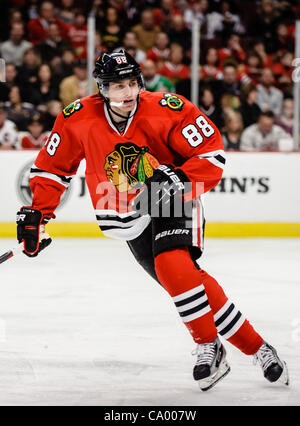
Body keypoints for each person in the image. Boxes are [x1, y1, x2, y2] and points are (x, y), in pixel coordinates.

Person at [16, 49, 289, 391]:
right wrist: (37, 214)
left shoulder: (166, 110)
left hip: (169, 197)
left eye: (132, 83)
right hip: (126, 215)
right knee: (189, 285)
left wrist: (176, 178)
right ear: (101, 88)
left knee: (174, 267)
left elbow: (211, 153)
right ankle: (259, 348)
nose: (128, 92)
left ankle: (208, 345)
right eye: (118, 86)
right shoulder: (77, 118)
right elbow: (52, 169)